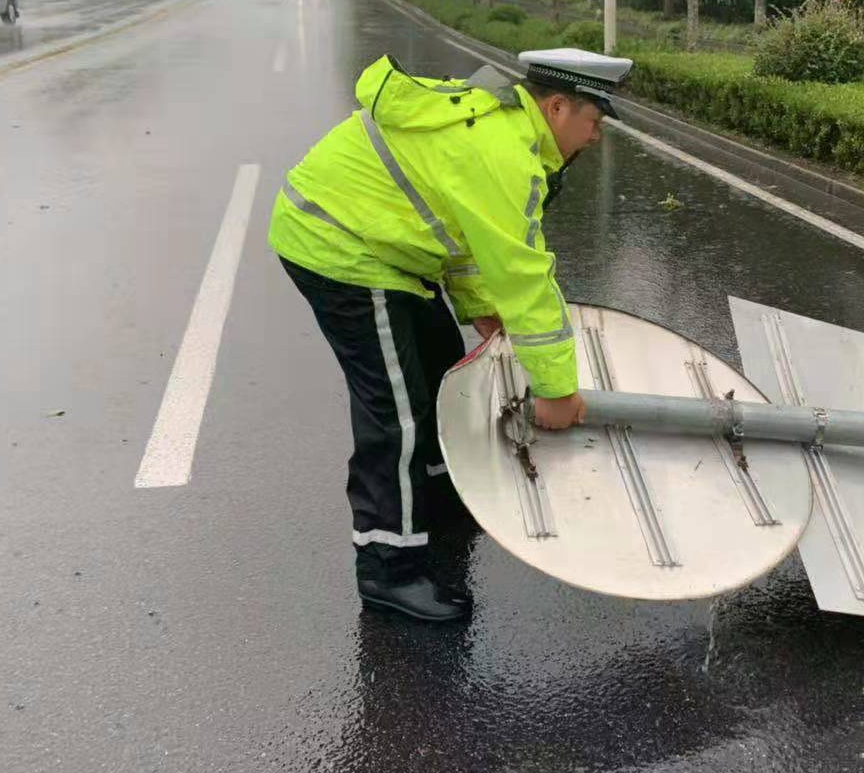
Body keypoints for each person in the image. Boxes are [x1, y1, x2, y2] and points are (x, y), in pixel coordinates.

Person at [269, 48, 634, 623]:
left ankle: (439, 500)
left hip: (387, 247)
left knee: (441, 360)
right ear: (558, 107)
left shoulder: (500, 131)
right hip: (341, 247)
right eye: (594, 121)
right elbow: (524, 279)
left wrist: (479, 308)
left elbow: (461, 238)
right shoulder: (503, 153)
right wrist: (557, 392)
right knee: (397, 412)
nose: (595, 137)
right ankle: (388, 567)